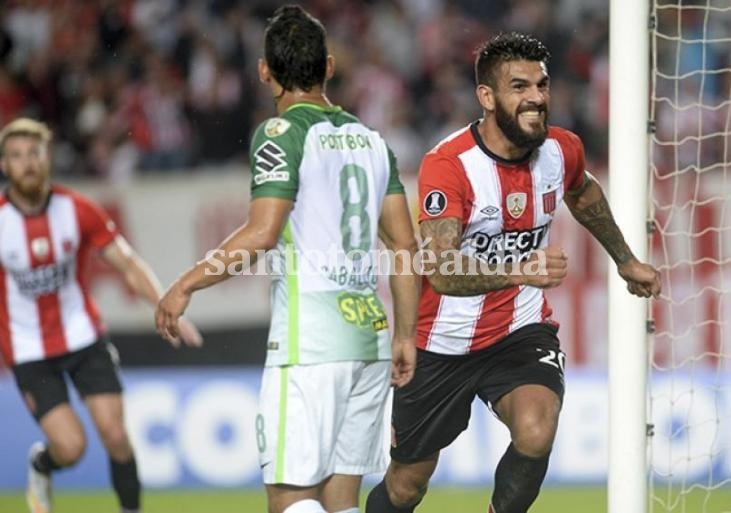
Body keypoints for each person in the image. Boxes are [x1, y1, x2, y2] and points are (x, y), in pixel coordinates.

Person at [365, 32, 662, 513]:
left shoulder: (561, 150)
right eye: (519, 86)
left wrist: (625, 260)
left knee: (536, 428)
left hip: (519, 332)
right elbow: (439, 270)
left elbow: (583, 195)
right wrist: (520, 268)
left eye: (542, 86)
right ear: (487, 97)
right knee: (406, 486)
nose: (536, 99)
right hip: (441, 341)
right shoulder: (449, 165)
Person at [155, 6, 419, 513]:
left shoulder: (280, 135)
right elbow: (404, 247)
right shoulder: (372, 141)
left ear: (264, 71)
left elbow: (261, 233)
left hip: (310, 342)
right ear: (330, 67)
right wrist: (405, 334)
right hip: (369, 337)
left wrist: (185, 283)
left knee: (290, 499)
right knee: (341, 502)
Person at [0, 118, 203, 513]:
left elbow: (126, 262)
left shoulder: (77, 210)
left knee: (115, 435)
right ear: (5, 166)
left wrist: (164, 305)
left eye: (34, 154)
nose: (27, 163)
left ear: (47, 158)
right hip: (28, 349)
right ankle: (43, 463)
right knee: (72, 448)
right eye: (17, 156)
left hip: (83, 336)